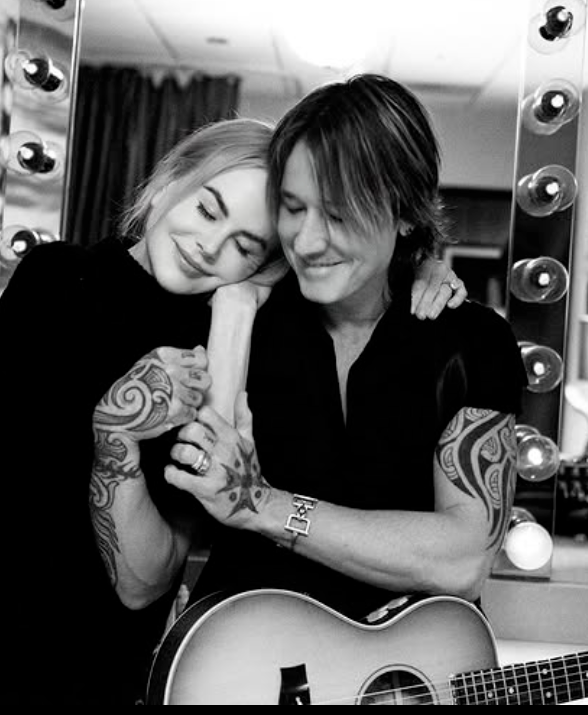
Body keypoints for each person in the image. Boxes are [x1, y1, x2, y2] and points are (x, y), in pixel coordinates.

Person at [0, 116, 464, 706]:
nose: (210, 246)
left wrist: (236, 311)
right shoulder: (54, 279)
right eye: (207, 209)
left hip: (74, 669)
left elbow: (144, 581)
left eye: (245, 245)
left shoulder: (230, 347)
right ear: (171, 178)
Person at [95, 75, 525, 644]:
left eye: (340, 216)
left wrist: (263, 506)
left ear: (405, 213)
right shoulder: (229, 315)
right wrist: (236, 305)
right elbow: (153, 559)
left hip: (398, 676)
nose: (308, 241)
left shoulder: (472, 342)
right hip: (237, 664)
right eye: (293, 209)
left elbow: (462, 559)